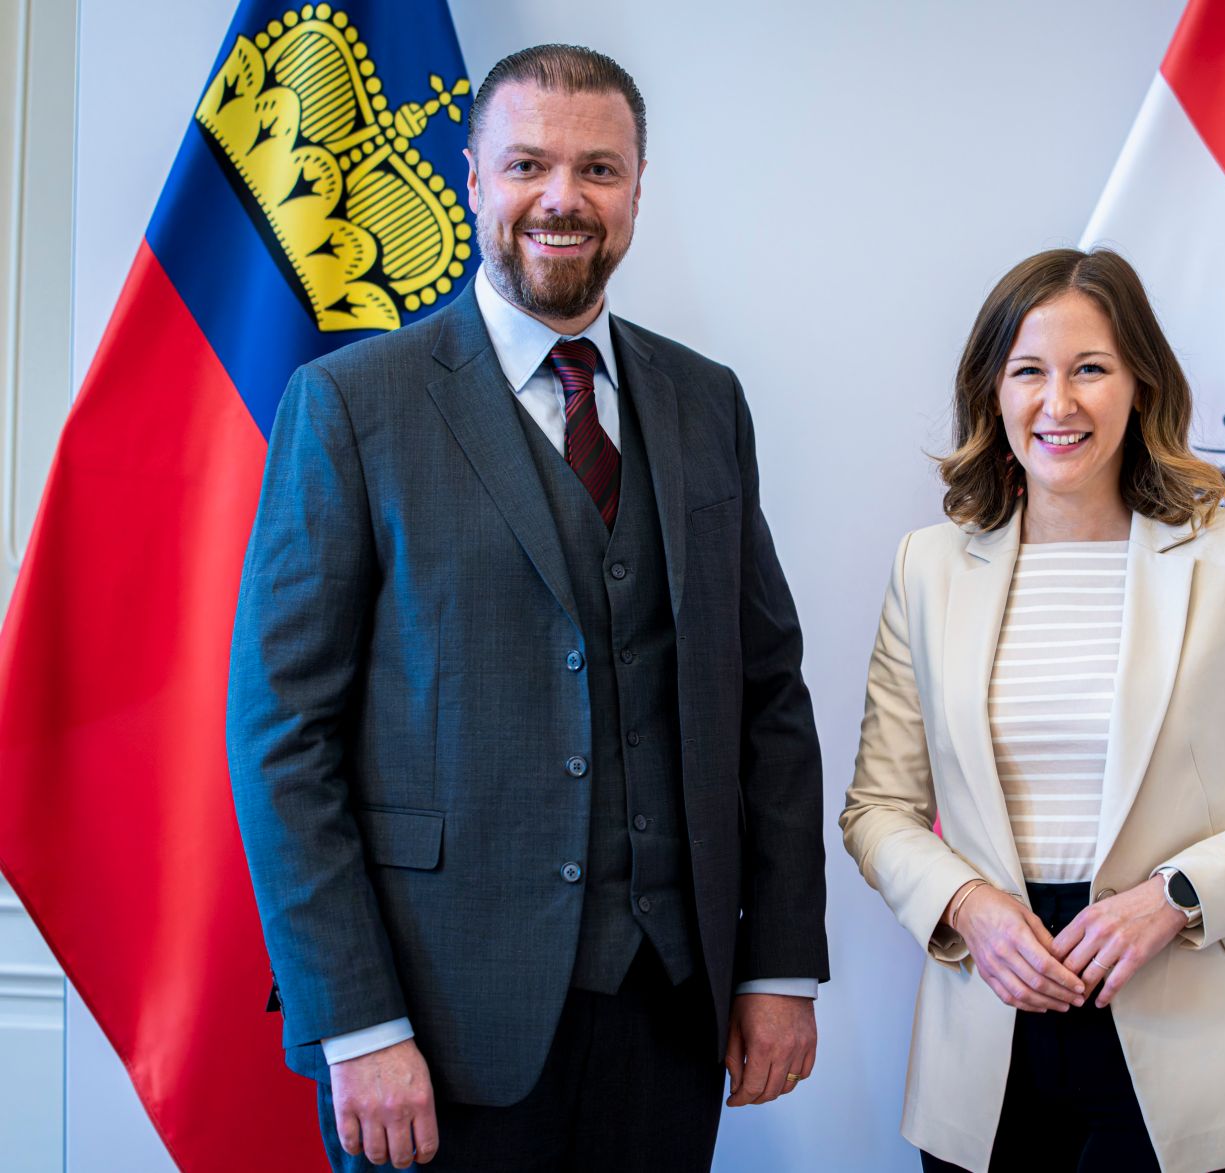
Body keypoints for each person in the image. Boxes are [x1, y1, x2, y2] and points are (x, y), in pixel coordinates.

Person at [227, 44, 827, 1172]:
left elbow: (767, 703)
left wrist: (778, 967)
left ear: (639, 190)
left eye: (598, 169)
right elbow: (281, 739)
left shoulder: (707, 402)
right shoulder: (351, 408)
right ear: (471, 180)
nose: (563, 199)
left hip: (670, 1015)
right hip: (433, 1031)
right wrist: (357, 1026)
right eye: (528, 165)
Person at [840, 248, 1225, 1173]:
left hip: (1193, 1026)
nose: (1060, 404)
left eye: (1090, 368)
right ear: (992, 392)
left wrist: (1177, 896)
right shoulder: (925, 568)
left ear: (1141, 383)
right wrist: (967, 905)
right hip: (993, 1033)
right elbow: (877, 810)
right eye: (1029, 372)